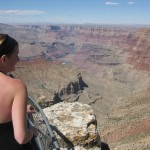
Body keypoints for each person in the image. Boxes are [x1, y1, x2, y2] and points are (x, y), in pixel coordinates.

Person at [0, 34, 37, 150]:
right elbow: (21, 137)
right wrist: (32, 131)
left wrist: (20, 110)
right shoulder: (16, 86)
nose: (19, 59)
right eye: (16, 55)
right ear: (4, 59)